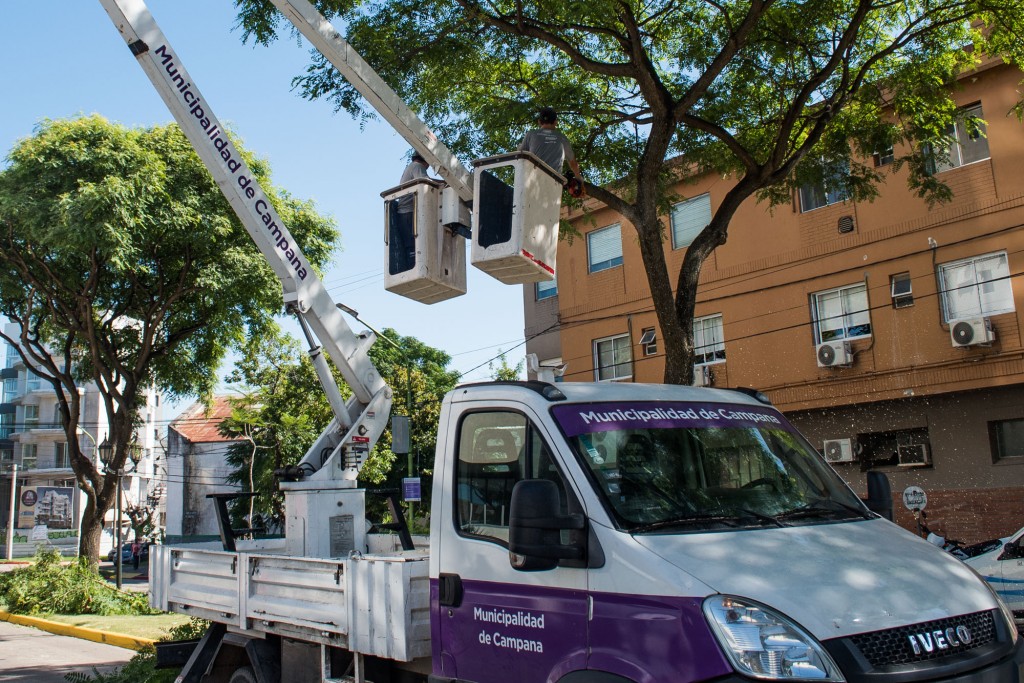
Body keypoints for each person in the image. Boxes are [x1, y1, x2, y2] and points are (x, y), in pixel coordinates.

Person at [517, 107, 584, 195]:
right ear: (556, 122)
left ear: (539, 122)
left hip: (532, 182)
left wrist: (519, 147)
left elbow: (521, 155)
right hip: (553, 184)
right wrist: (579, 179)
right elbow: (573, 164)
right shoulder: (562, 138)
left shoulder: (531, 134)